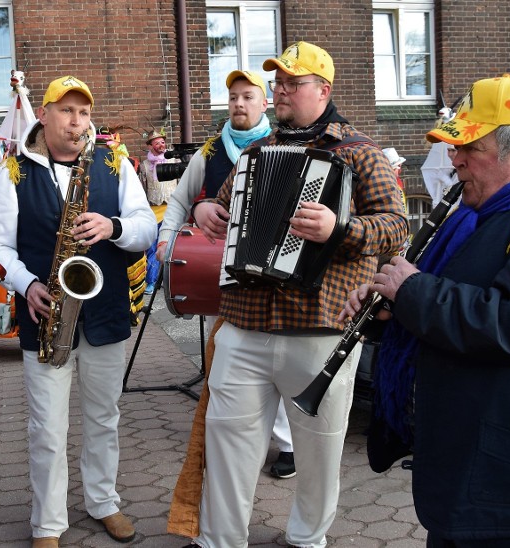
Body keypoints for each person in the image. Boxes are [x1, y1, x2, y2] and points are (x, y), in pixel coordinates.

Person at [341, 73, 510, 547]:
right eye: (455, 148)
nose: (455, 161)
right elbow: (456, 309)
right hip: (469, 470)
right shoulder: (476, 218)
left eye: (471, 149)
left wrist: (415, 293)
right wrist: (394, 311)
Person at [182, 42, 408, 547]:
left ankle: (308, 538)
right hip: (244, 322)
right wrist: (201, 211)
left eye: (292, 82)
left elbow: (397, 228)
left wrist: (340, 228)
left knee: (319, 452)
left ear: (322, 90)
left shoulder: (360, 152)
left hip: (320, 328)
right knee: (227, 443)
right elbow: (216, 206)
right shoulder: (256, 153)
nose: (279, 90)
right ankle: (222, 540)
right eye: (277, 82)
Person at [0, 75, 157, 548]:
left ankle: (103, 501)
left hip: (106, 312)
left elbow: (145, 229)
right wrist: (27, 283)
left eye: (83, 112)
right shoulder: (12, 171)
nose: (77, 121)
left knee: (104, 417)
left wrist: (114, 225)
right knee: (47, 428)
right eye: (66, 110)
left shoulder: (114, 162)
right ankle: (49, 523)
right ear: (45, 114)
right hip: (46, 315)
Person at [156, 70, 295, 480]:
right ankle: (236, 437)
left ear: (263, 103)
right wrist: (168, 244)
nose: (239, 104)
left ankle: (287, 443)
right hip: (224, 275)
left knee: (281, 361)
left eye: (248, 97)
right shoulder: (210, 152)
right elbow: (181, 201)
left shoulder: (286, 145)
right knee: (230, 361)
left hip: (277, 275)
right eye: (233, 97)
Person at [137, 128, 180, 294]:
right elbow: (142, 189)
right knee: (153, 246)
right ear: (150, 146)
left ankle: (172, 281)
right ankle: (151, 281)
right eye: (157, 143)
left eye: (163, 142)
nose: (161, 145)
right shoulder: (145, 166)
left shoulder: (174, 161)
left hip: (172, 209)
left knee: (173, 245)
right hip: (154, 210)